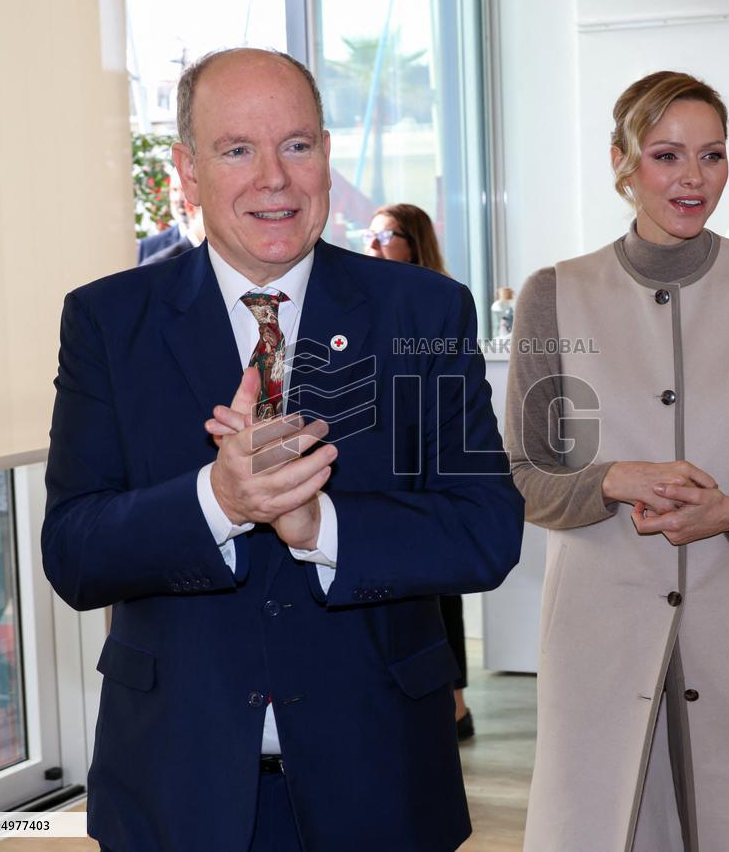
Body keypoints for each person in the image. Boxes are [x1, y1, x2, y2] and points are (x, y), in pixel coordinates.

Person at [43, 48, 523, 852]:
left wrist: (321, 527)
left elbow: (487, 530)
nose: (274, 178)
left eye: (296, 145)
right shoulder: (109, 321)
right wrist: (219, 502)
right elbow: (74, 552)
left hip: (382, 783)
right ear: (188, 173)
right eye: (237, 150)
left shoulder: (425, 311)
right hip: (177, 785)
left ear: (327, 155)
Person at [506, 71, 729, 851]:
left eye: (711, 155)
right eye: (666, 155)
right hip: (601, 630)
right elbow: (522, 477)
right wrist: (611, 480)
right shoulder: (554, 295)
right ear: (622, 162)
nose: (693, 178)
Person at [363, 202, 474, 741]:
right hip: (382, 456)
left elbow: (446, 398)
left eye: (386, 235)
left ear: (414, 242)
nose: (374, 244)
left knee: (438, 587)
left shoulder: (437, 301)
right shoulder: (365, 297)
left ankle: (454, 699)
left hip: (427, 459)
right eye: (371, 234)